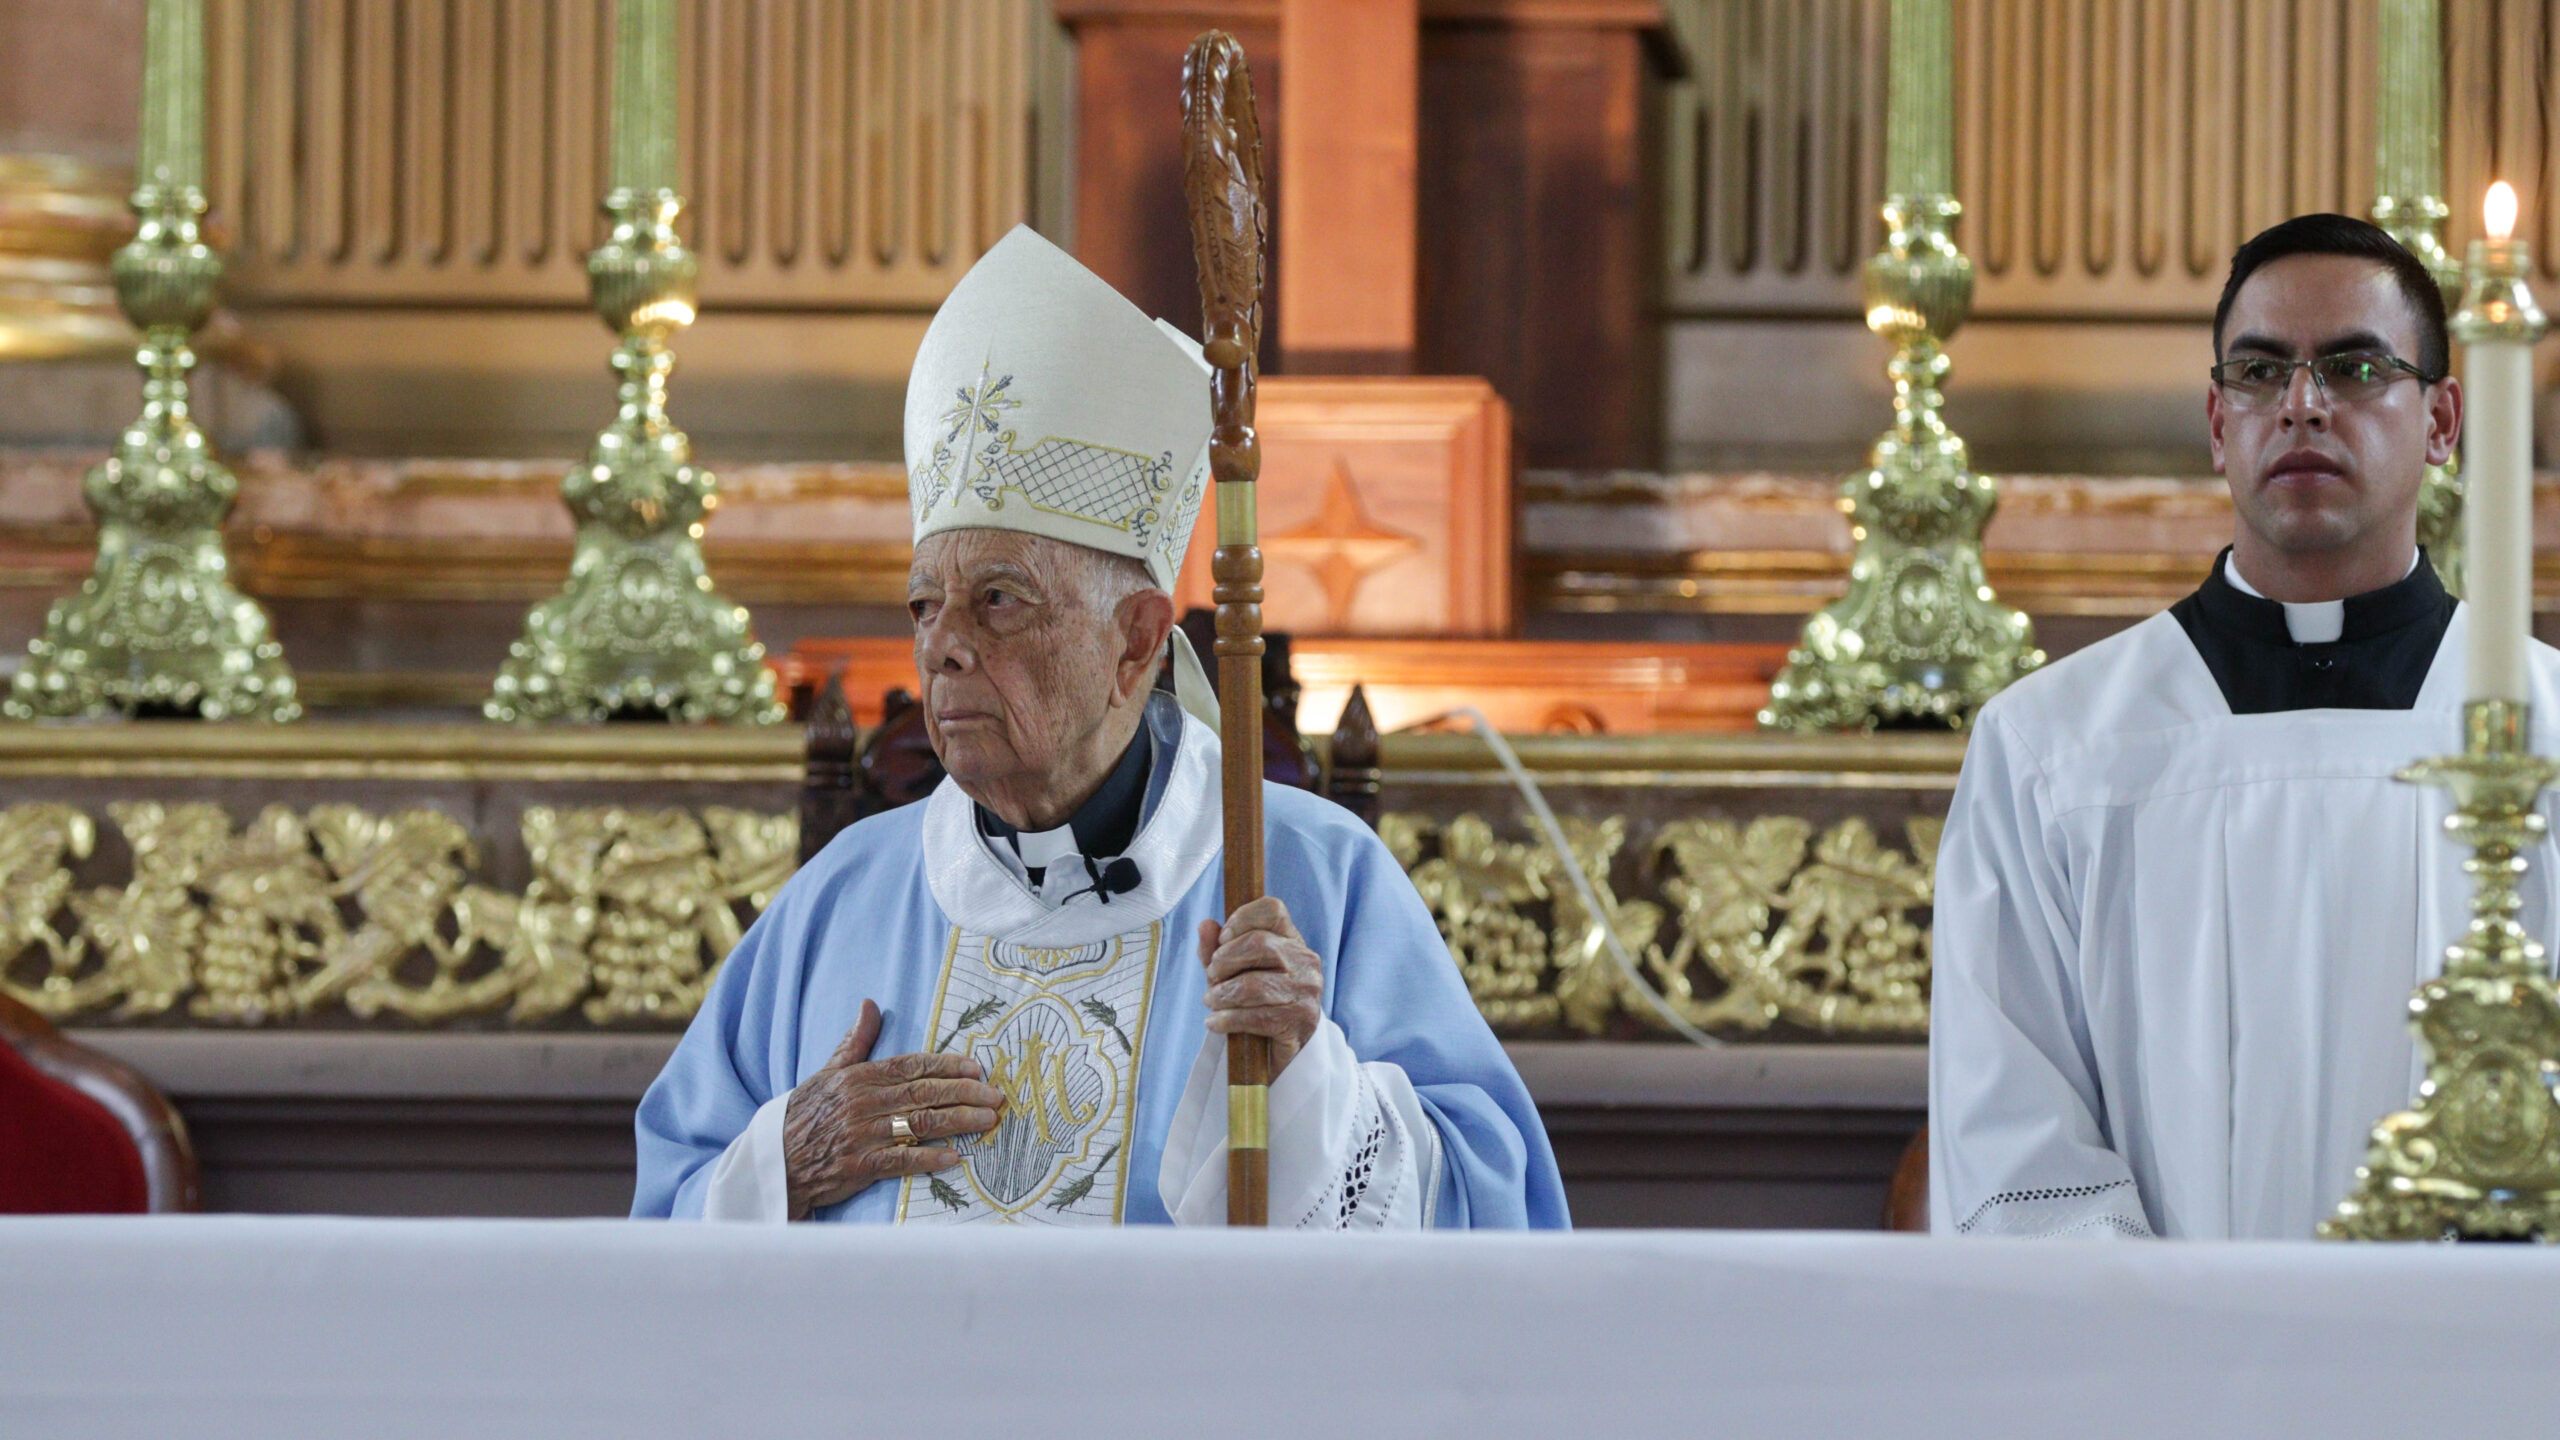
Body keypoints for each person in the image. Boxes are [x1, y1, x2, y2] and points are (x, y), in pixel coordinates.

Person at [633, 226, 1566, 1229]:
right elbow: (665, 1223)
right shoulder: (838, 905)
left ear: (1135, 644)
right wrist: (785, 1164)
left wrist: (1308, 1088)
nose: (943, 645)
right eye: (922, 606)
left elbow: (1492, 1215)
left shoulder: (1307, 876)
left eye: (996, 600)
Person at [1930, 212, 2560, 1239]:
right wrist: (2195, 1355)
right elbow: (2011, 1131)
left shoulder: (2545, 734)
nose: (2302, 407)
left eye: (2355, 369)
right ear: (2218, 425)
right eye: (2260, 374)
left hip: (2481, 1369)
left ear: (2443, 421)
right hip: (2167, 1375)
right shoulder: (2051, 750)